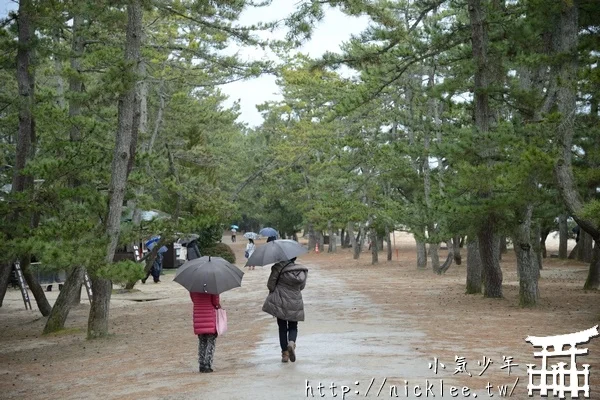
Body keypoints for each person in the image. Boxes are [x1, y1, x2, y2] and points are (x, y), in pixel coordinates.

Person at [262, 257, 308, 363]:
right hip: (295, 301)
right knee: (293, 326)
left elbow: (270, 285)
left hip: (280, 301)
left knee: (282, 328)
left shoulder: (278, 268)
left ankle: (285, 354)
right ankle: (291, 342)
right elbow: (302, 286)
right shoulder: (301, 270)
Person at [190, 291, 221, 373]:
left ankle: (201, 364)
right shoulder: (213, 287)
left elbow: (194, 300)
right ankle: (207, 364)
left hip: (198, 315)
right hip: (209, 315)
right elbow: (215, 302)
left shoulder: (193, 288)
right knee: (210, 341)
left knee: (202, 341)